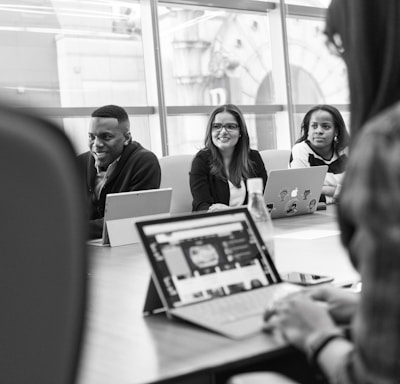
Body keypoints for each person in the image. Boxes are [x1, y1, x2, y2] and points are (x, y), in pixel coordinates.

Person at [256, 1, 400, 384]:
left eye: (340, 46)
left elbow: (375, 377)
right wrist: (363, 308)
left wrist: (316, 336)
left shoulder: (386, 140)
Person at [77, 105, 161, 239]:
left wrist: (74, 229)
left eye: (106, 137)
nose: (96, 144)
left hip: (126, 246)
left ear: (127, 138)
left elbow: (127, 221)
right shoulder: (79, 163)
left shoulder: (144, 161)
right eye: (91, 137)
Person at [190, 104, 267, 212]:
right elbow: (201, 205)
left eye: (230, 126)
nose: (223, 132)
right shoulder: (201, 160)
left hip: (251, 222)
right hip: (216, 224)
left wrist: (231, 211)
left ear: (240, 132)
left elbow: (265, 198)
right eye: (217, 126)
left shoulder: (253, 157)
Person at [290, 105, 350, 204]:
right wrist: (339, 193)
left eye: (326, 126)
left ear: (336, 131)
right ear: (307, 130)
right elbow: (301, 192)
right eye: (314, 126)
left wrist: (324, 190)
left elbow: (358, 189)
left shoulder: (346, 151)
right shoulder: (300, 150)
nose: (319, 131)